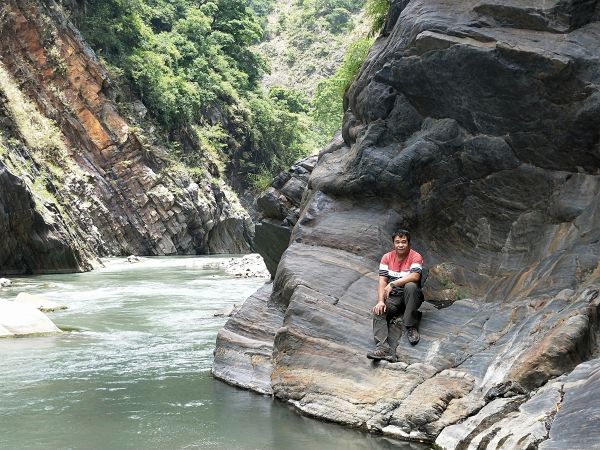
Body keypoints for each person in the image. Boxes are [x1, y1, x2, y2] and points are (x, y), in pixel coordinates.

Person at [367, 229, 424, 361]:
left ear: (408, 243)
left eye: (403, 242)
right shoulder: (386, 258)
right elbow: (382, 281)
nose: (400, 245)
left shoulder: (415, 256)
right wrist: (381, 301)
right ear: (393, 243)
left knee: (410, 286)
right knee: (379, 311)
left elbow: (415, 276)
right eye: (397, 242)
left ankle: (410, 325)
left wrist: (393, 284)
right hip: (394, 298)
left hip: (412, 296)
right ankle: (382, 348)